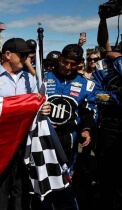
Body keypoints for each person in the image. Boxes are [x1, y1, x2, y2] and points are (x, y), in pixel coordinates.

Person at [0, 38, 43, 210]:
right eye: (22, 55)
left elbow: (37, 104)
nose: (26, 60)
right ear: (7, 55)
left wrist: (44, 108)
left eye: (28, 56)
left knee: (21, 186)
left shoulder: (30, 79)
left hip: (24, 142)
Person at [41, 44, 97, 210]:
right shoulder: (43, 79)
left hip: (68, 140)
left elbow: (89, 112)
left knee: (65, 179)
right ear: (60, 59)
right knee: (43, 177)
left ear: (80, 63)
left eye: (73, 64)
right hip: (43, 137)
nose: (68, 67)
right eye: (65, 62)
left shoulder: (86, 85)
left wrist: (87, 130)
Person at [93, 10, 122, 210]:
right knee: (106, 172)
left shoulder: (117, 61)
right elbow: (95, 94)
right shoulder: (104, 65)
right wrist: (103, 19)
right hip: (109, 124)